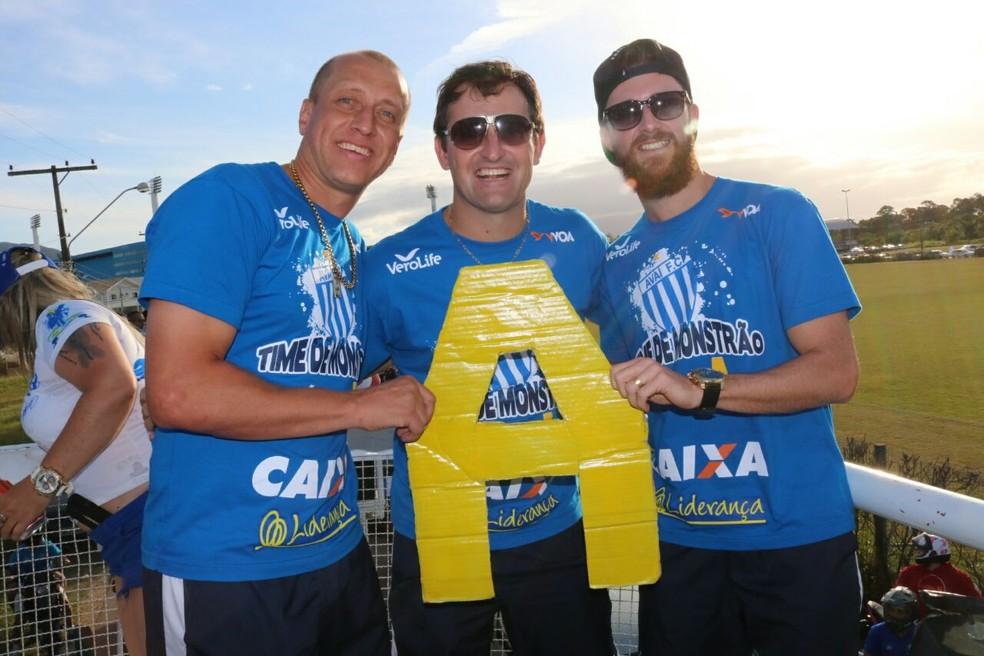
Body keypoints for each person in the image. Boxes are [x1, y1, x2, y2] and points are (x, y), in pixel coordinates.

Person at [139, 50, 434, 656]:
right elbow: (178, 393)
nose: (364, 124)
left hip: (337, 553)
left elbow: (335, 368)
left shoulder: (352, 245)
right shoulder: (230, 199)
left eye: (386, 113)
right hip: (225, 567)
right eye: (347, 101)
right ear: (306, 114)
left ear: (396, 144)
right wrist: (355, 410)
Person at [592, 39, 862, 655]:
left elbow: (836, 372)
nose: (648, 122)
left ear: (692, 114)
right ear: (608, 136)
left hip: (794, 537)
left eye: (663, 103)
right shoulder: (617, 264)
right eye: (626, 112)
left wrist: (700, 390)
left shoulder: (776, 212)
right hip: (681, 544)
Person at [361, 61, 614, 655]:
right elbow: (324, 373)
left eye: (512, 127)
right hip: (437, 535)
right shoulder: (388, 266)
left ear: (539, 141)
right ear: (443, 151)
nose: (492, 147)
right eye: (470, 131)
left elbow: (642, 338)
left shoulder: (577, 239)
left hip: (558, 534)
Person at [0, 246, 151, 656]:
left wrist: (41, 485)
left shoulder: (61, 317)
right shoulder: (71, 323)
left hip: (145, 521)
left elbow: (113, 387)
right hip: (129, 528)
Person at [895, 532, 981, 598]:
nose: (917, 551)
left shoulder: (960, 578)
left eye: (921, 549)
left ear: (934, 552)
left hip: (947, 621)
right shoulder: (908, 573)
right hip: (913, 620)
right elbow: (896, 597)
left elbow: (977, 604)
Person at [863, 586, 918, 655]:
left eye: (900, 611)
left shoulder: (918, 633)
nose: (895, 614)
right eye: (892, 610)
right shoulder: (877, 631)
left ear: (910, 613)